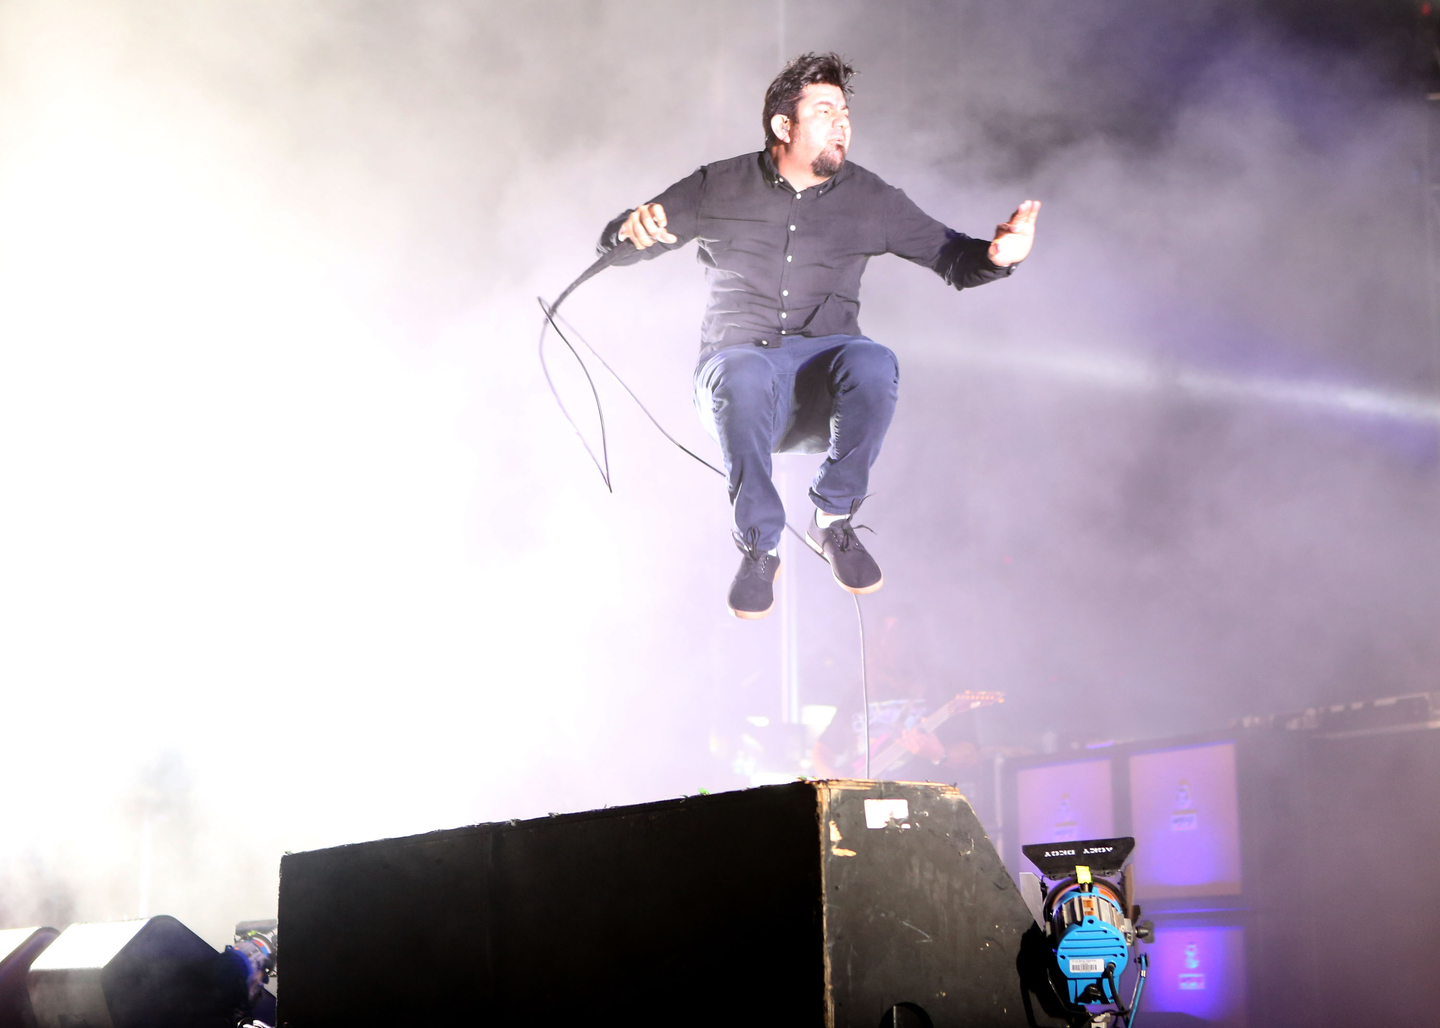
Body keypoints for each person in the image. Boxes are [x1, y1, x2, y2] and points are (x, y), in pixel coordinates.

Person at [598, 52, 1039, 619]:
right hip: (736, 379)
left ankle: (832, 519)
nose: (842, 124)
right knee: (745, 370)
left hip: (817, 392)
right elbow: (627, 245)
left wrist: (998, 256)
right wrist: (626, 228)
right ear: (785, 126)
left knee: (874, 361)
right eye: (825, 111)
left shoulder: (872, 198)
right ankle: (761, 547)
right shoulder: (717, 185)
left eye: (846, 113)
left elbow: (956, 259)